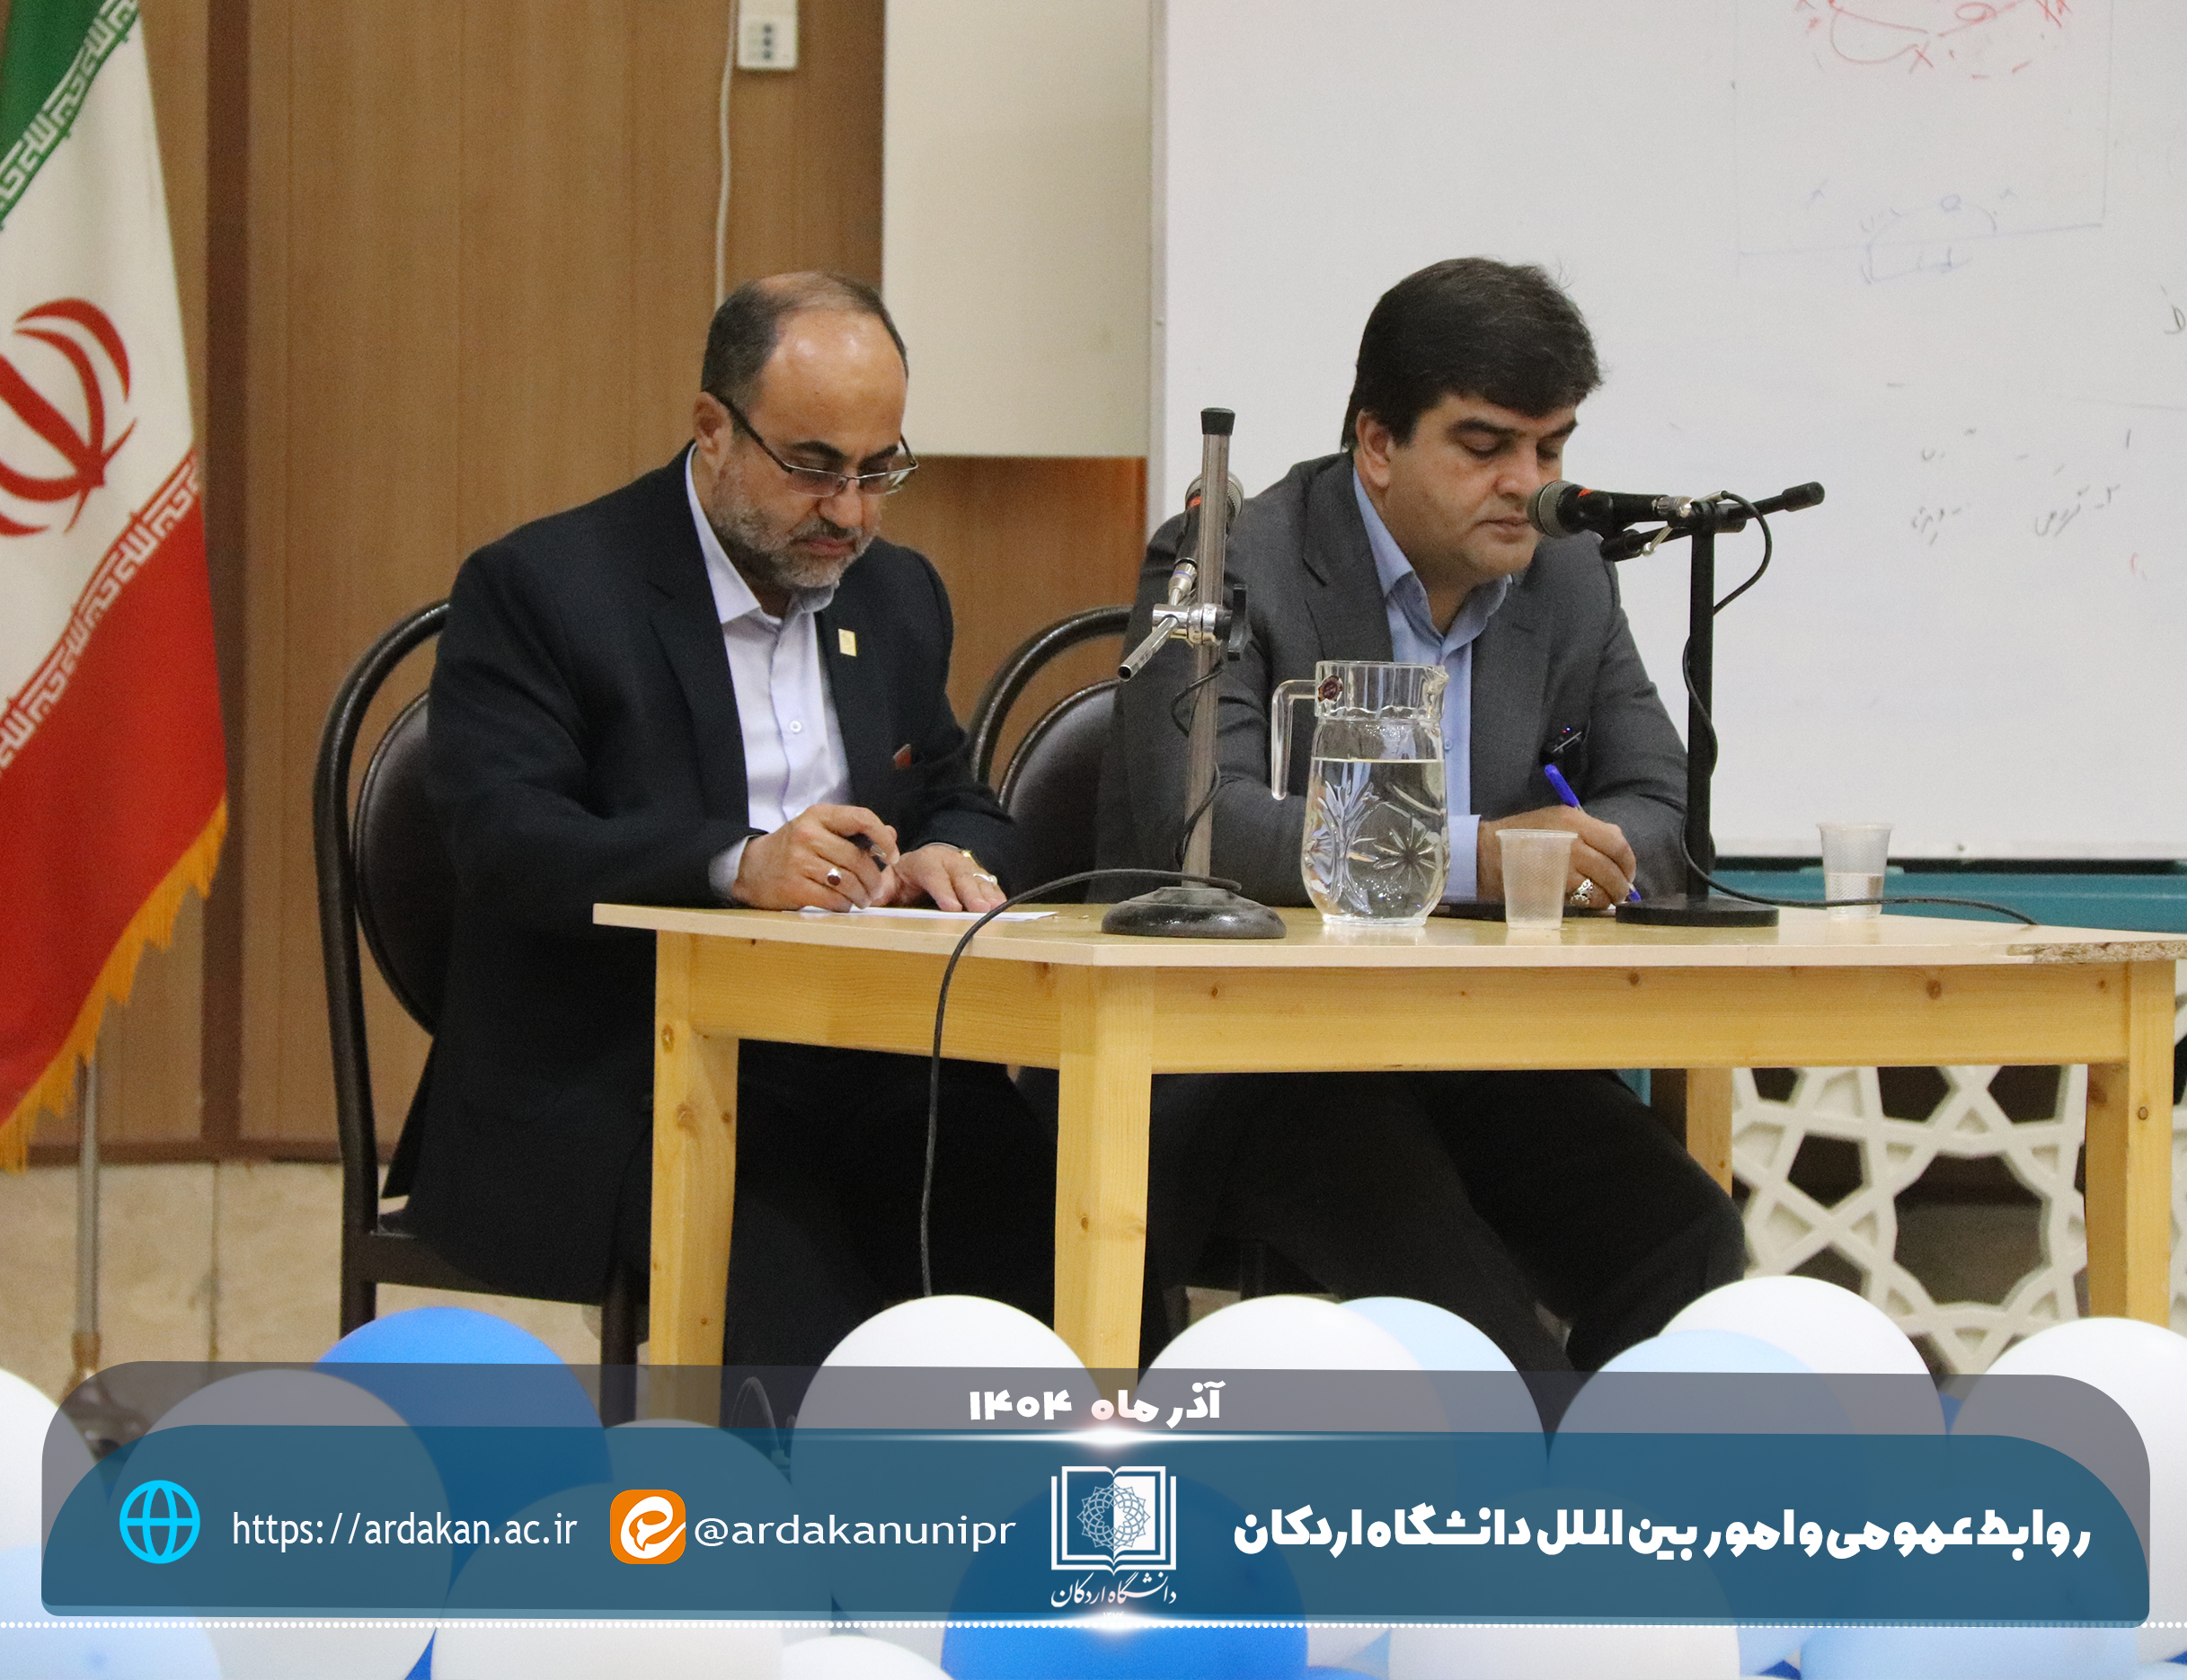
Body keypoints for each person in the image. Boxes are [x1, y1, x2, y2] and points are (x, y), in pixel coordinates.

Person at [1097, 256, 1746, 1371]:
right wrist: (1481, 859)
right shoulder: (1229, 558)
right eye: (1485, 447)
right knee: (1468, 1308)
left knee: (1685, 1238)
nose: (1527, 487)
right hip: (1260, 1062)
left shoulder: (1568, 574)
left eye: (1551, 450)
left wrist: (1584, 854)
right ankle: (1527, 1478)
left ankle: (1629, 1471)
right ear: (1377, 442)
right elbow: (1203, 829)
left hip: (1472, 1046)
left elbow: (1665, 807)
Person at [395, 272, 1053, 1366]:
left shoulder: (894, 594)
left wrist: (949, 852)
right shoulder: (546, 587)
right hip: (639, 1075)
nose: (850, 512)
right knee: (805, 1346)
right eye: (813, 468)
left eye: (878, 470)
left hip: (873, 1058)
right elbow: (505, 842)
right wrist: (734, 865)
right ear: (713, 428)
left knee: (1067, 1258)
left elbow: (953, 792)